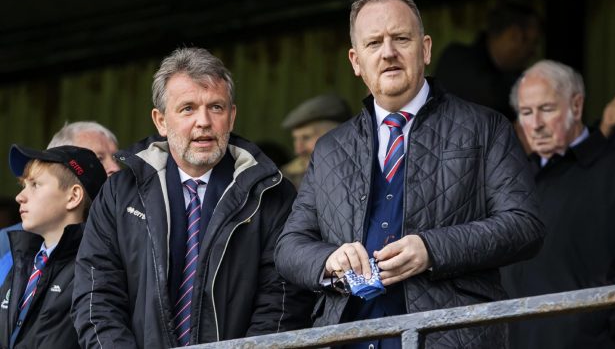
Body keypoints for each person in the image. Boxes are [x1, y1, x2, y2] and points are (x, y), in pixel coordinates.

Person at [275, 0, 544, 349]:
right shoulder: (330, 149)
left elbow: (524, 224)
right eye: (374, 43)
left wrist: (432, 249)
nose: (388, 53)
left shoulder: (485, 127)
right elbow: (289, 247)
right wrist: (329, 259)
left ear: (426, 48)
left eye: (401, 38)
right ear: (356, 61)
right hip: (348, 338)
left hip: (450, 338)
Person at [71, 47, 313, 348]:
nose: (203, 121)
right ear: (160, 121)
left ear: (232, 116)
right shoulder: (120, 194)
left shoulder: (271, 193)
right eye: (187, 108)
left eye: (216, 107)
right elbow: (96, 296)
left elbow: (282, 301)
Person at [501, 60, 615, 348]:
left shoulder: (613, 168)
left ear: (576, 106)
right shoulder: (511, 180)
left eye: (547, 109)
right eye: (526, 113)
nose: (536, 124)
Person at [0, 144, 107, 349]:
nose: (19, 197)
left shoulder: (95, 270)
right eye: (23, 186)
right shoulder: (22, 260)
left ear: (73, 197)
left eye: (35, 185)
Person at [0, 121, 121, 286]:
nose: (115, 167)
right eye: (98, 158)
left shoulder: (107, 255)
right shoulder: (8, 247)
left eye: (116, 158)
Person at [434, 0, 541, 121]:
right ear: (514, 35)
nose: (533, 53)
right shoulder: (456, 60)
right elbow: (490, 98)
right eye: (532, 43)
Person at [280, 93, 351, 188]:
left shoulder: (367, 169)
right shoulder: (286, 178)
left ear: (338, 136)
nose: (298, 150)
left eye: (306, 137)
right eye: (295, 139)